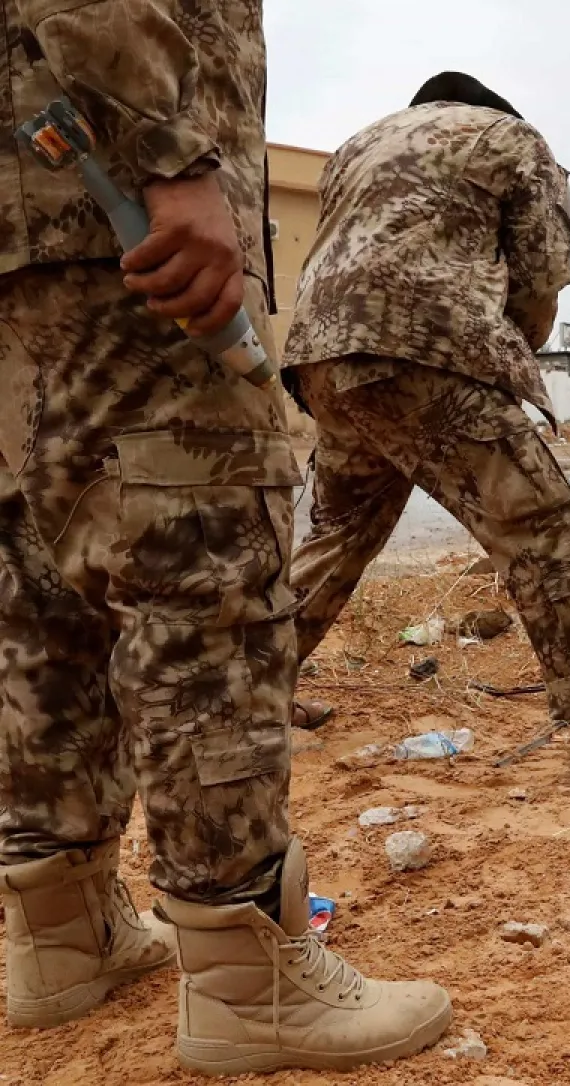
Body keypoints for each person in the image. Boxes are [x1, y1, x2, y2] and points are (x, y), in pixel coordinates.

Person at [0, 2, 450, 1073]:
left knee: (43, 584)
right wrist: (172, 159)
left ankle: (58, 940)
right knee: (204, 573)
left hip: (26, 239)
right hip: (122, 225)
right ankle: (250, 981)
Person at [281, 72, 570, 778]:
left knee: (339, 535)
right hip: (419, 344)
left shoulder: (356, 147)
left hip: (319, 354)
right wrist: (506, 356)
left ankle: (248, 693)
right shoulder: (513, 138)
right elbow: (538, 281)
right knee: (540, 519)